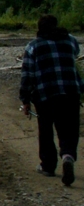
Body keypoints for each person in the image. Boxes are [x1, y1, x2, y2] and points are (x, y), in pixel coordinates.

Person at [20, 14, 83, 186]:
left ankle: (48, 165)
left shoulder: (33, 46)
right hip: (71, 91)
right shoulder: (70, 41)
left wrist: (25, 98)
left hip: (45, 93)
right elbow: (75, 55)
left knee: (46, 129)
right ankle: (68, 155)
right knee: (69, 128)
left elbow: (28, 74)